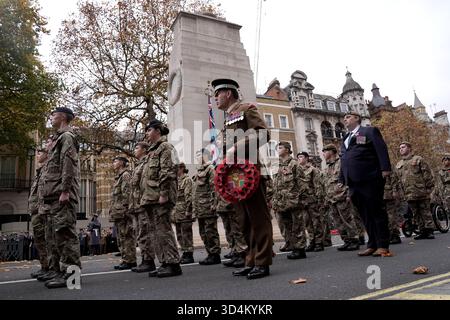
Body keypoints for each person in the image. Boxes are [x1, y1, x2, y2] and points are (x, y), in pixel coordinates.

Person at [212, 78, 273, 280]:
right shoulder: (227, 118)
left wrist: (236, 147)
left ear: (228, 93)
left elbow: (263, 133)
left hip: (251, 171)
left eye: (217, 94)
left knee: (258, 218)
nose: (215, 98)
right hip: (236, 176)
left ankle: (262, 262)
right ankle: (251, 260)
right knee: (244, 221)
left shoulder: (246, 108)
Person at [38, 107, 81, 288]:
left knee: (66, 235)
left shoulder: (67, 137)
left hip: (63, 193)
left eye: (53, 115)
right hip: (55, 194)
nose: (51, 117)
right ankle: (60, 272)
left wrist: (65, 190)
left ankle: (72, 277)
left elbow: (68, 164)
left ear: (62, 117)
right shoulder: (59, 138)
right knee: (58, 236)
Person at [340, 111, 391, 257]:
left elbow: (380, 149)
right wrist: (342, 178)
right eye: (344, 118)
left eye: (348, 117)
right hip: (353, 182)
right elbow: (344, 159)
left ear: (357, 118)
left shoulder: (369, 131)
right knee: (365, 215)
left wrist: (385, 168)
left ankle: (383, 245)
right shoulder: (346, 137)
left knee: (376, 211)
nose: (345, 119)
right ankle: (372, 244)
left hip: (370, 178)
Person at [141, 119, 182, 278]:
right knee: (156, 231)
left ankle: (173, 264)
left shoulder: (165, 147)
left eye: (149, 130)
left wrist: (164, 194)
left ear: (157, 130)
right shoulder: (152, 150)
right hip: (151, 197)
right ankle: (165, 262)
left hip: (160, 196)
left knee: (164, 230)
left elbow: (168, 171)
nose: (146, 133)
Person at [272, 142, 308, 259]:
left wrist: (301, 200)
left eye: (280, 147)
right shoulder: (277, 165)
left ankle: (300, 249)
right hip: (281, 202)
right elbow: (275, 185)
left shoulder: (294, 164)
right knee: (287, 225)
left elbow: (302, 183)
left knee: (297, 225)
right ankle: (293, 246)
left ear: (287, 150)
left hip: (294, 201)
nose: (278, 149)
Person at [322, 144, 360, 251]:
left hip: (343, 196)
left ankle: (354, 240)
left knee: (347, 219)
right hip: (332, 199)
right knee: (338, 222)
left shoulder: (342, 162)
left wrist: (349, 194)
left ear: (332, 152)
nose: (323, 154)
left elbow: (349, 178)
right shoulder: (328, 166)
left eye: (325, 151)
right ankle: (346, 240)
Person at [396, 142, 435, 240]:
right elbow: (399, 180)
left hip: (421, 190)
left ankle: (429, 230)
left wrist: (429, 189)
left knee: (425, 211)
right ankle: (422, 231)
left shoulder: (418, 159)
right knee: (415, 213)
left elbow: (427, 173)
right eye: (400, 148)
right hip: (409, 193)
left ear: (409, 148)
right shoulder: (399, 164)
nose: (401, 149)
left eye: (403, 147)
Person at [129, 141, 156, 273]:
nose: (134, 150)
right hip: (137, 206)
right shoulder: (138, 165)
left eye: (137, 147)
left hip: (143, 205)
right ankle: (144, 259)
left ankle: (149, 260)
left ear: (144, 150)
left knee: (145, 233)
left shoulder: (146, 163)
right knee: (140, 234)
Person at [192, 148, 221, 265]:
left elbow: (214, 188)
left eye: (199, 154)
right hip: (200, 207)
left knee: (210, 231)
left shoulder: (210, 169)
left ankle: (215, 254)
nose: (197, 157)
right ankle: (210, 253)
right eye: (196, 155)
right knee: (203, 232)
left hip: (208, 206)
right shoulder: (198, 171)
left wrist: (214, 204)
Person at [109, 156, 136, 269]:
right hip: (119, 213)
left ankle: (130, 260)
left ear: (121, 163)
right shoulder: (119, 177)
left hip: (124, 212)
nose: (113, 163)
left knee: (127, 236)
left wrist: (126, 210)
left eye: (115, 161)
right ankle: (126, 259)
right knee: (121, 237)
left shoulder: (125, 175)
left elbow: (127, 194)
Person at [297, 151, 325, 252]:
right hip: (303, 201)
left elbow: (317, 185)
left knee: (316, 221)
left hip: (312, 199)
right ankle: (312, 241)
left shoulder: (313, 170)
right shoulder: (297, 171)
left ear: (306, 158)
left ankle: (319, 242)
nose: (299, 159)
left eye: (301, 157)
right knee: (307, 222)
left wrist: (319, 199)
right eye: (298, 157)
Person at [28, 147, 49, 278]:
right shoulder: (40, 171)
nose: (37, 155)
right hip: (36, 210)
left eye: (40, 153)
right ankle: (45, 266)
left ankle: (50, 267)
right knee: (39, 240)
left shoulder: (48, 169)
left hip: (42, 211)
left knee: (45, 240)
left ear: (47, 155)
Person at [172, 162, 195, 265]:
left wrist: (189, 210)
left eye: (176, 169)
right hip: (176, 212)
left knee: (186, 234)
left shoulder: (187, 180)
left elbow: (189, 197)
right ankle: (184, 252)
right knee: (179, 234)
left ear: (181, 168)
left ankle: (189, 254)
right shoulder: (176, 181)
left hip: (184, 211)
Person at [383, 169, 403, 244]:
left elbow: (394, 178)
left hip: (388, 193)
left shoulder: (385, 165)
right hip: (378, 195)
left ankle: (395, 235)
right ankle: (388, 235)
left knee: (391, 216)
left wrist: (394, 191)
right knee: (383, 217)